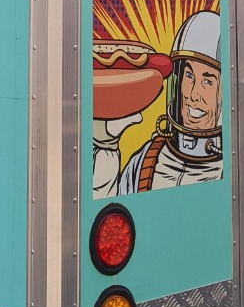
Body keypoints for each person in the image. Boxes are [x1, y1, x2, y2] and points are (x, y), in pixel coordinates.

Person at [93, 10, 222, 196]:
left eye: (208, 82)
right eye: (189, 75)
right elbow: (112, 205)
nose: (194, 94)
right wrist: (107, 145)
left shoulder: (230, 167)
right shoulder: (146, 158)